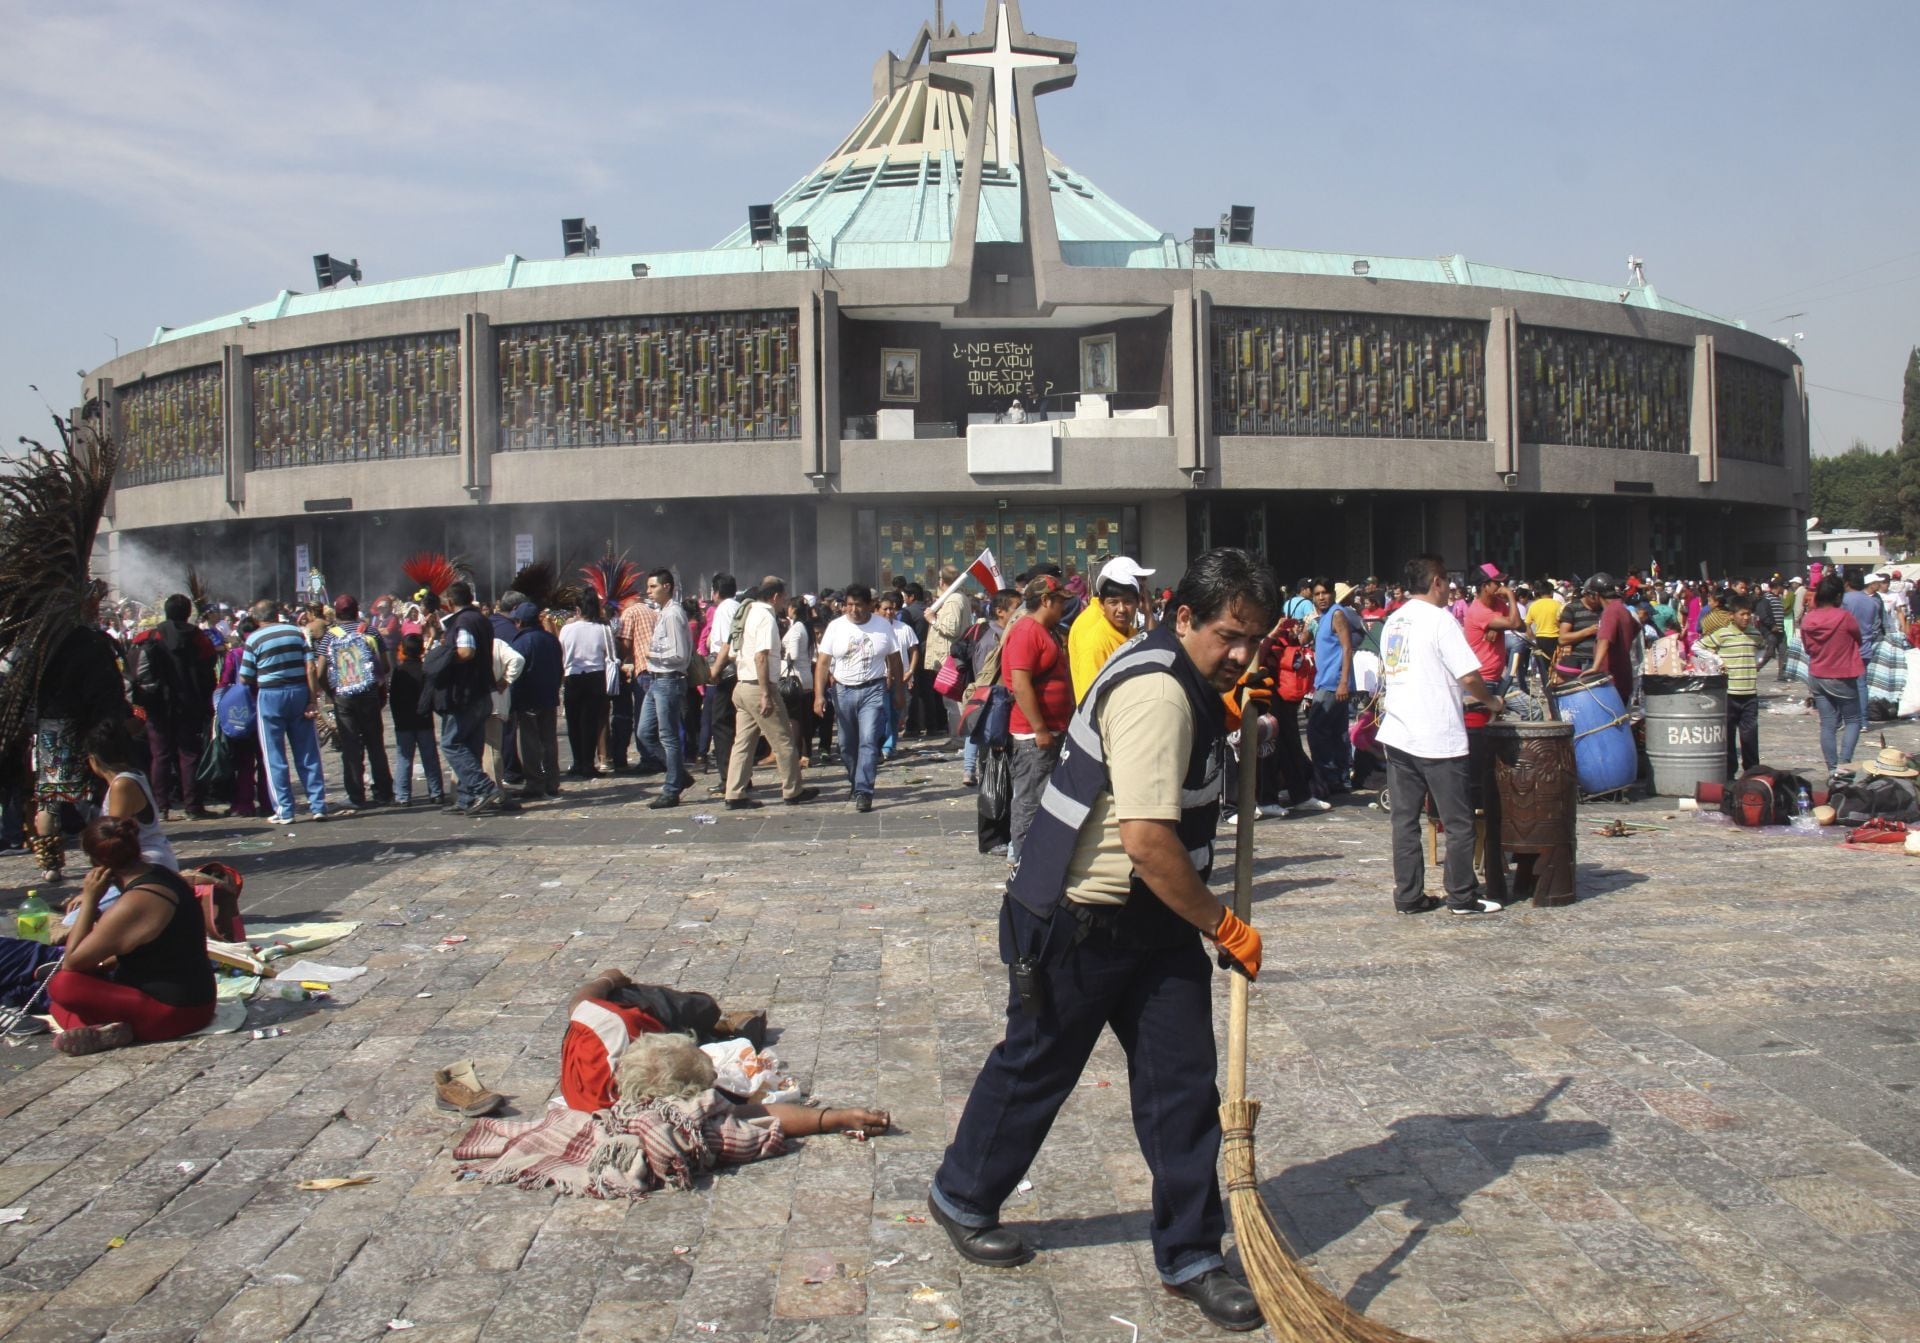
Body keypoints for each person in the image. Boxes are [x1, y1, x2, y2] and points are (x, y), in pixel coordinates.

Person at [929, 549, 1274, 1333]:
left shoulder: (1180, 674)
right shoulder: (1156, 690)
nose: (1242, 654)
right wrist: (1223, 923)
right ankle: (961, 1194)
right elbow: (1149, 841)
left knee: (1182, 1084)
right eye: (1229, 635)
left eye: (1254, 639)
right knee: (1038, 1064)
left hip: (1152, 925)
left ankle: (1191, 1253)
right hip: (1082, 919)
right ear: (1182, 617)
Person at [1378, 554, 1504, 916]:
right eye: (1447, 581)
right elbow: (1468, 676)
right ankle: (1462, 896)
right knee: (1459, 822)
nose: (1449, 588)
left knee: (1404, 823)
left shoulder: (1394, 620)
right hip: (1437, 735)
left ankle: (1408, 895)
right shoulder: (1440, 621)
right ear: (1436, 581)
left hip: (1400, 732)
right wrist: (1491, 701)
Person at [44, 816, 215, 1055]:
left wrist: (91, 899)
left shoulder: (137, 900)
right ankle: (107, 1030)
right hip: (197, 999)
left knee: (62, 986)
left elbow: (72, 961)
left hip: (175, 1011)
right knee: (56, 1007)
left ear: (98, 864)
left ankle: (104, 1029)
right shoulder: (162, 875)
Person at [240, 599, 337, 825]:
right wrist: (313, 700)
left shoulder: (253, 639)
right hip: (299, 692)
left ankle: (285, 809)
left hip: (271, 695)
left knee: (274, 754)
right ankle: (318, 805)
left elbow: (245, 676)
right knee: (307, 751)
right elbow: (310, 668)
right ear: (277, 613)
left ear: (257, 618)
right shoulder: (297, 633)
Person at [724, 577, 816, 810]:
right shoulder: (765, 616)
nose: (785, 602)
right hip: (759, 686)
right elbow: (761, 656)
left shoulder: (747, 612)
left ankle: (734, 792)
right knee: (783, 740)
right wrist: (766, 693)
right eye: (783, 597)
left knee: (743, 743)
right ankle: (793, 790)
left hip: (743, 684)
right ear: (775, 596)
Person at [1000, 574, 1074, 864]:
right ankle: (1023, 860)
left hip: (1051, 731)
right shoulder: (1027, 632)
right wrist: (1040, 728)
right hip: (1033, 736)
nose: (1063, 609)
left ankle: (1039, 859)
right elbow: (1020, 684)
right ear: (1045, 601)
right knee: (1030, 800)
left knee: (1045, 798)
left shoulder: (1046, 630)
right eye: (1059, 602)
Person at [813, 584, 902, 814]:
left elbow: (895, 661)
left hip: (873, 689)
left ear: (870, 606)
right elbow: (823, 663)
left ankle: (864, 790)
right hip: (842, 691)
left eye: (858, 605)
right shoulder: (836, 627)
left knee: (868, 739)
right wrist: (819, 695)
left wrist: (899, 691)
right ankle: (856, 780)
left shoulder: (882, 626)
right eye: (849, 605)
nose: (853, 609)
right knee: (846, 745)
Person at [129, 593, 217, 820]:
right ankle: (193, 806)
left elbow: (133, 670)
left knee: (160, 756)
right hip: (189, 703)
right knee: (189, 755)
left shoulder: (149, 636)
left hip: (157, 705)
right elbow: (209, 670)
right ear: (188, 613)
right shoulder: (199, 637)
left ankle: (161, 807)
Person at [316, 596, 395, 810]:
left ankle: (356, 795)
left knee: (350, 746)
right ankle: (384, 792)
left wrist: (330, 690)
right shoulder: (370, 631)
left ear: (336, 612)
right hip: (369, 696)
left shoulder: (330, 636)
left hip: (343, 698)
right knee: (375, 744)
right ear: (356, 610)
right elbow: (386, 665)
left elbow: (320, 671)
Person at [435, 582, 503, 815]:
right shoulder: (481, 619)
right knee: (471, 744)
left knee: (451, 742)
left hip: (466, 691)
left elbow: (466, 651)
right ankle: (466, 797)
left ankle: (483, 787)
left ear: (450, 602)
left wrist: (442, 657)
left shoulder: (463, 622)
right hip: (482, 689)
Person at [638, 570, 696, 810]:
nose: (649, 591)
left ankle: (672, 788)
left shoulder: (673, 614)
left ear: (667, 587)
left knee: (668, 736)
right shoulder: (663, 613)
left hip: (669, 679)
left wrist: (653, 654)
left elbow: (679, 653)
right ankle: (678, 773)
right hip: (656, 680)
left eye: (653, 587)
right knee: (645, 733)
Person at [1800, 574, 1864, 773]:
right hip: (1843, 674)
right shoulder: (1845, 617)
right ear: (1838, 596)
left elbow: (1808, 648)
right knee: (1853, 720)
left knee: (1828, 724)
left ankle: (1832, 768)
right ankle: (1844, 764)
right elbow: (1858, 638)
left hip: (1818, 674)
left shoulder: (1809, 619)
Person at [1068, 558, 1153, 702]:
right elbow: (1090, 698)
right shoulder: (1092, 627)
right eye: (1140, 580)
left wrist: (1148, 613)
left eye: (1127, 601)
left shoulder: (1127, 629)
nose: (1144, 587)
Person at [1698, 596, 1761, 776]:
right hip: (1730, 693)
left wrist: (1757, 662)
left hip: (1750, 693)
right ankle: (1729, 771)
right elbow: (1698, 647)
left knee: (1749, 735)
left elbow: (1763, 647)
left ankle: (1752, 771)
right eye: (1742, 614)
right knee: (1728, 735)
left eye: (1748, 614)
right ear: (1732, 615)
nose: (1746, 618)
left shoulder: (1754, 634)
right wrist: (1717, 660)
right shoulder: (1723, 634)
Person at [508, 603, 563, 801]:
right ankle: (552, 781)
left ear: (520, 622)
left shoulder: (522, 642)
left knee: (530, 742)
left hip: (528, 698)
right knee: (549, 741)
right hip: (548, 696)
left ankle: (534, 783)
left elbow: (516, 672)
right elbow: (559, 668)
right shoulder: (550, 639)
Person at [1306, 577, 1355, 796]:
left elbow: (1346, 648)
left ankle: (1328, 775)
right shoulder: (1322, 617)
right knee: (1337, 732)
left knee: (1316, 730)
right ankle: (1339, 779)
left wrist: (1343, 682)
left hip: (1332, 683)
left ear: (1332, 594)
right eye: (1317, 594)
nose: (1321, 597)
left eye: (1324, 593)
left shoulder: (1337, 614)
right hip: (1326, 680)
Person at [560, 590, 616, 779]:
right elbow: (611, 654)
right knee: (591, 722)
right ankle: (587, 762)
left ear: (577, 609)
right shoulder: (603, 629)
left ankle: (577, 761)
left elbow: (562, 653)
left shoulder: (567, 629)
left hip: (573, 676)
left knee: (574, 722)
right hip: (595, 676)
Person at [387, 633, 444, 807]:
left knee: (404, 758)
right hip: (424, 719)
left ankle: (403, 796)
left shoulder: (399, 671)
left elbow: (394, 699)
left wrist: (397, 718)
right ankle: (436, 793)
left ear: (403, 649)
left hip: (404, 721)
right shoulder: (425, 670)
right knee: (430, 757)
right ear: (421, 650)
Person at [1464, 566, 1524, 697]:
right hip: (1482, 681)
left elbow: (1521, 626)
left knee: (1534, 709)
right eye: (1497, 583)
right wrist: (1510, 595)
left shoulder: (1498, 604)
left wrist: (1499, 626)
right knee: (1489, 716)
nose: (1501, 586)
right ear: (1485, 586)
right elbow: (1515, 623)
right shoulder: (1477, 610)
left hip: (1497, 679)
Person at [1841, 571, 1885, 724]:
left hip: (1846, 648)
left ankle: (1846, 719)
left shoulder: (1844, 600)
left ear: (1848, 583)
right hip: (1865, 647)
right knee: (1861, 685)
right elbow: (1875, 625)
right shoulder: (1872, 602)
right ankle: (1863, 721)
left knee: (1843, 686)